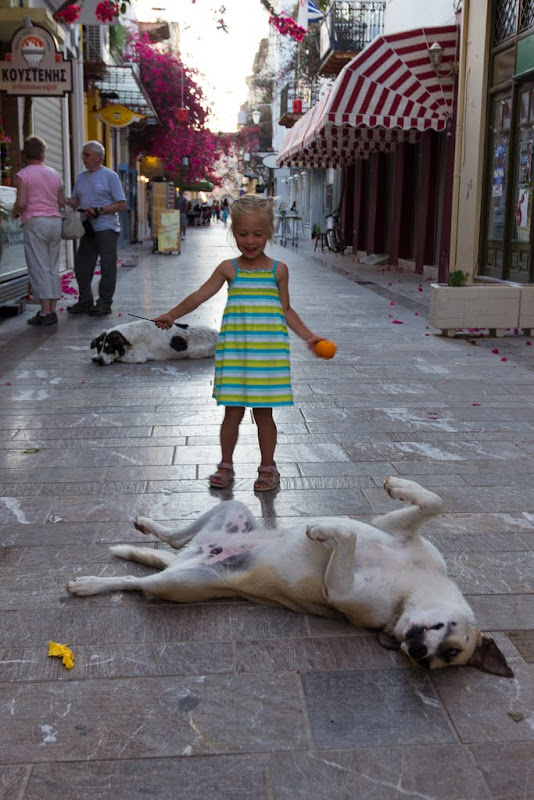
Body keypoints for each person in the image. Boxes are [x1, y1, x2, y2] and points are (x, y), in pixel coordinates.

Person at [153, 194, 324, 492]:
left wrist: (308, 336)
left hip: (268, 358)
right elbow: (198, 296)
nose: (250, 240)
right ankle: (226, 465)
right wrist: (171, 314)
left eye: (257, 234)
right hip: (235, 355)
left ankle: (268, 467)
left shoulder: (278, 270)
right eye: (243, 233)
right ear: (233, 232)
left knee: (264, 415)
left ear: (269, 233)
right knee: (231, 412)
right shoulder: (228, 268)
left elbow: (286, 309)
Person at [67, 141, 126, 316]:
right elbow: (75, 201)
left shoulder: (110, 176)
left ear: (98, 157)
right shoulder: (81, 177)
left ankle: (104, 302)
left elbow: (122, 204)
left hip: (106, 227)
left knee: (108, 266)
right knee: (82, 265)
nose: (83, 158)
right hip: (86, 227)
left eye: (87, 154)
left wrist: (100, 210)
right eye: (83, 154)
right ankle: (85, 300)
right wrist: (62, 199)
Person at [14, 136, 65, 326]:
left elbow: (21, 203)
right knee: (52, 266)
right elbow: (61, 202)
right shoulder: (54, 173)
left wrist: (14, 211)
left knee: (39, 266)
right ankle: (51, 309)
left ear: (25, 153)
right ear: (43, 152)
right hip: (55, 223)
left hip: (36, 222)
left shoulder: (23, 175)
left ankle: (45, 312)